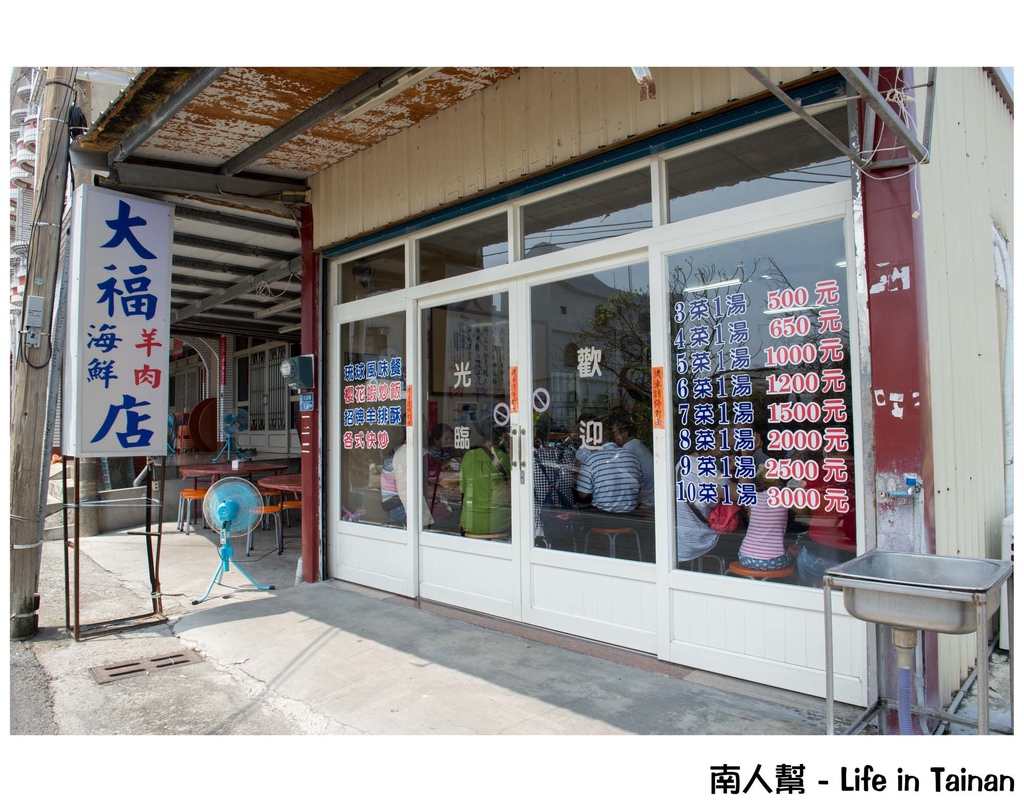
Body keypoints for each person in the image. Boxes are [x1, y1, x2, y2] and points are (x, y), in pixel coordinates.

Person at [459, 418, 512, 536]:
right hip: (499, 523)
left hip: (470, 521)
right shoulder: (505, 458)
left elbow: (462, 489)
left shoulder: (468, 456)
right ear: (502, 437)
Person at [575, 420, 642, 514]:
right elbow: (639, 489)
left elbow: (582, 494)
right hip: (631, 516)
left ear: (596, 439)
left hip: (604, 519)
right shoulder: (632, 456)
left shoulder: (592, 459)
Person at [737, 465, 793, 571]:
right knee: (794, 553)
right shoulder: (785, 498)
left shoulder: (753, 497)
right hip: (773, 560)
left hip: (745, 557)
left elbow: (750, 516)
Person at [609, 412, 654, 507]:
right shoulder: (637, 444)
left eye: (615, 433)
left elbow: (622, 478)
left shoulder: (628, 448)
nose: (614, 437)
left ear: (625, 434)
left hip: (645, 499)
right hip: (651, 494)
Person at [424, 423, 460, 530]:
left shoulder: (447, 451)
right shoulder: (428, 454)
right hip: (436, 492)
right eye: (447, 438)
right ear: (436, 440)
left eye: (451, 438)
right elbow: (434, 473)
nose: (450, 441)